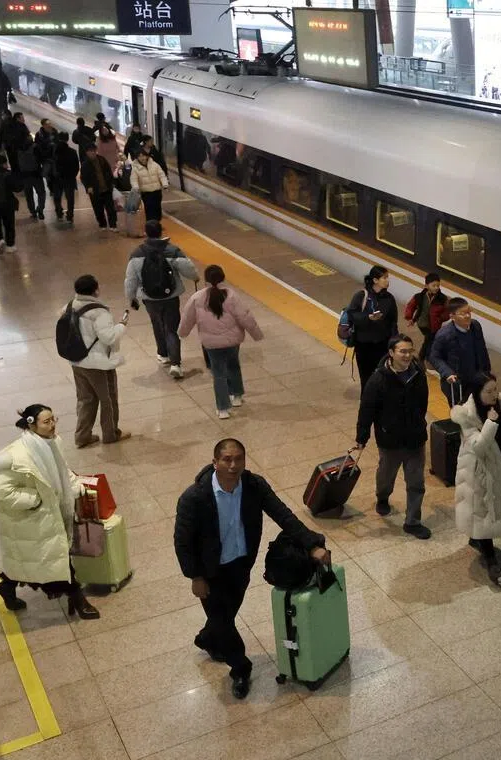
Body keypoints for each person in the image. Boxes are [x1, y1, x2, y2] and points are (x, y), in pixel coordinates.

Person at [174, 438, 331, 699]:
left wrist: (312, 544)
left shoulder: (253, 486)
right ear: (215, 462)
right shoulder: (194, 497)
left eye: (239, 459)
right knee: (223, 620)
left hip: (241, 564)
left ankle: (208, 638)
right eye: (226, 459)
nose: (233, 465)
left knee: (225, 615)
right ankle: (240, 669)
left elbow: (283, 515)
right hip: (210, 570)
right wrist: (195, 576)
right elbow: (182, 542)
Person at [0, 404, 100, 620]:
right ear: (31, 425)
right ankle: (77, 598)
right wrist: (34, 500)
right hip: (31, 519)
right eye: (46, 422)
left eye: (54, 419)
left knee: (33, 560)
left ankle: (6, 587)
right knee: (55, 558)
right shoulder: (18, 457)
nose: (53, 425)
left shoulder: (53, 442)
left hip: (49, 515)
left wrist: (74, 485)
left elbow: (61, 469)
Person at [453, 373, 501, 585]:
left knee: (490, 508)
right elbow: (478, 447)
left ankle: (477, 539)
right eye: (488, 391)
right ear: (477, 393)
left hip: (500, 469)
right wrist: (490, 422)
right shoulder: (466, 415)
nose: (494, 394)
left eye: (495, 389)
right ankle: (490, 559)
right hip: (479, 472)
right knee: (484, 512)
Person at [355, 334, 431, 540]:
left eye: (410, 351)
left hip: (415, 439)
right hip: (390, 440)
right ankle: (382, 497)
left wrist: (418, 423)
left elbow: (423, 403)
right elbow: (367, 410)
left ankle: (413, 522)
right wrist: (362, 437)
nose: (407, 355)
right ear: (391, 353)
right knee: (386, 476)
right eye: (402, 351)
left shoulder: (418, 374)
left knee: (416, 482)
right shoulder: (378, 379)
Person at [179, 265, 264, 419]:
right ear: (223, 278)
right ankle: (236, 396)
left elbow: (187, 318)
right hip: (233, 341)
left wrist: (182, 333)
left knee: (218, 374)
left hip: (211, 344)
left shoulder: (198, 297)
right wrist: (256, 334)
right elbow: (245, 317)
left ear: (206, 280)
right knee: (233, 366)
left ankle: (223, 408)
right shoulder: (232, 296)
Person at [124, 219, 199, 379]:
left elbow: (130, 279)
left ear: (146, 233)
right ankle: (176, 364)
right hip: (170, 297)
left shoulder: (136, 254)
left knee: (157, 324)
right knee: (171, 329)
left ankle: (163, 354)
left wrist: (131, 298)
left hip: (149, 298)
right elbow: (188, 269)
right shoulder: (172, 250)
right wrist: (195, 277)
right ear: (161, 232)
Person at [67, 275, 131, 449]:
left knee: (85, 399)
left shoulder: (70, 306)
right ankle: (111, 434)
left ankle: (82, 436)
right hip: (98, 364)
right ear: (96, 290)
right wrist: (121, 325)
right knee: (108, 399)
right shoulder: (99, 312)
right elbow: (109, 337)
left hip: (77, 361)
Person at [429, 297, 491, 408]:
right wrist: (447, 372)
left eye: (468, 312)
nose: (467, 316)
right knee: (461, 414)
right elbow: (434, 357)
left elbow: (482, 350)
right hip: (457, 384)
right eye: (462, 314)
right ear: (452, 316)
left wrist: (487, 373)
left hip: (478, 379)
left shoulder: (475, 326)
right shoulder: (444, 335)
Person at [346, 265, 399, 392]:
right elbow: (351, 315)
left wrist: (395, 343)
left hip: (382, 344)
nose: (387, 280)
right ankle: (366, 400)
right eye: (384, 278)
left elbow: (393, 321)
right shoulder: (361, 296)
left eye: (387, 277)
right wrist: (368, 318)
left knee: (383, 376)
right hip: (364, 345)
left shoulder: (389, 298)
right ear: (375, 280)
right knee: (366, 377)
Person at [403, 272, 448, 365]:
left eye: (438, 285)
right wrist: (409, 317)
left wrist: (440, 318)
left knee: (430, 340)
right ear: (427, 286)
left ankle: (426, 356)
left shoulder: (442, 299)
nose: (436, 288)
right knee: (429, 340)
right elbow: (411, 306)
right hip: (422, 323)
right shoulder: (419, 296)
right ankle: (422, 357)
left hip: (435, 325)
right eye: (433, 285)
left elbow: (447, 311)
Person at [80, 142, 118, 232]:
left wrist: (111, 182)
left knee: (110, 208)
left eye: (94, 150)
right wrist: (88, 187)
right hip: (94, 190)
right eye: (90, 151)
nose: (93, 152)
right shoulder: (85, 164)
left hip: (106, 188)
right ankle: (102, 224)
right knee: (98, 209)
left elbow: (109, 171)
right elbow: (83, 178)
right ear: (87, 152)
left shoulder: (102, 159)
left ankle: (113, 224)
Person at [132, 147, 169, 221]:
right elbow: (134, 179)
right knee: (149, 209)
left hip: (157, 191)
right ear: (137, 158)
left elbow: (161, 175)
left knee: (157, 208)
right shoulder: (135, 168)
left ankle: (157, 223)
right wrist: (136, 187)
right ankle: (150, 224)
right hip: (146, 193)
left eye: (143, 155)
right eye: (139, 156)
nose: (142, 158)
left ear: (146, 156)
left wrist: (165, 184)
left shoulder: (155, 165)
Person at [52, 132, 80, 227]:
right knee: (70, 198)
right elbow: (76, 166)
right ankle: (70, 216)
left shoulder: (55, 151)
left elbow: (52, 164)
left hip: (57, 178)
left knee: (57, 197)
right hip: (69, 178)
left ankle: (59, 213)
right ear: (67, 139)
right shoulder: (72, 152)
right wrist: (73, 175)